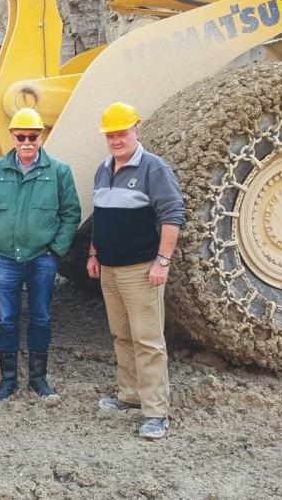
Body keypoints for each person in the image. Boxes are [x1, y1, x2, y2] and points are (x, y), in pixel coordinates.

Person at [86, 102, 185, 439]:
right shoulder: (103, 168)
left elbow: (173, 215)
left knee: (148, 339)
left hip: (141, 271)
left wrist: (162, 261)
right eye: (110, 134)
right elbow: (101, 216)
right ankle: (129, 395)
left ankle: (156, 412)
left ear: (136, 131)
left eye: (122, 133)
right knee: (121, 335)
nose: (116, 140)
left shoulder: (153, 169)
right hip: (110, 269)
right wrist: (94, 253)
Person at [0, 107, 81, 403]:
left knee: (41, 318)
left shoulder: (59, 171)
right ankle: (8, 383)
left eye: (32, 136)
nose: (27, 142)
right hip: (5, 259)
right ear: (13, 137)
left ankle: (38, 381)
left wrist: (55, 250)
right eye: (21, 136)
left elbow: (71, 213)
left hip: (41, 260)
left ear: (41, 137)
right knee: (7, 320)